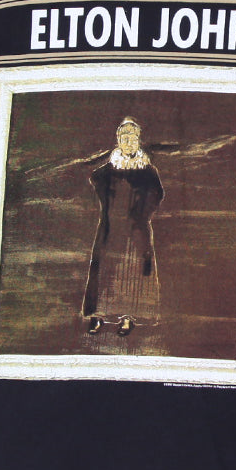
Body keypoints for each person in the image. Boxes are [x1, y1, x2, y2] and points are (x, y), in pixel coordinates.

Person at [82, 117, 164, 336]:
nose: (129, 142)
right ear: (118, 140)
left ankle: (127, 318)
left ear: (139, 141)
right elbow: (96, 182)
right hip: (110, 229)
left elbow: (157, 195)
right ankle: (97, 316)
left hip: (137, 230)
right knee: (105, 270)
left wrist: (142, 215)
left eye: (133, 138)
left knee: (133, 271)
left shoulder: (148, 172)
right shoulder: (105, 172)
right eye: (125, 138)